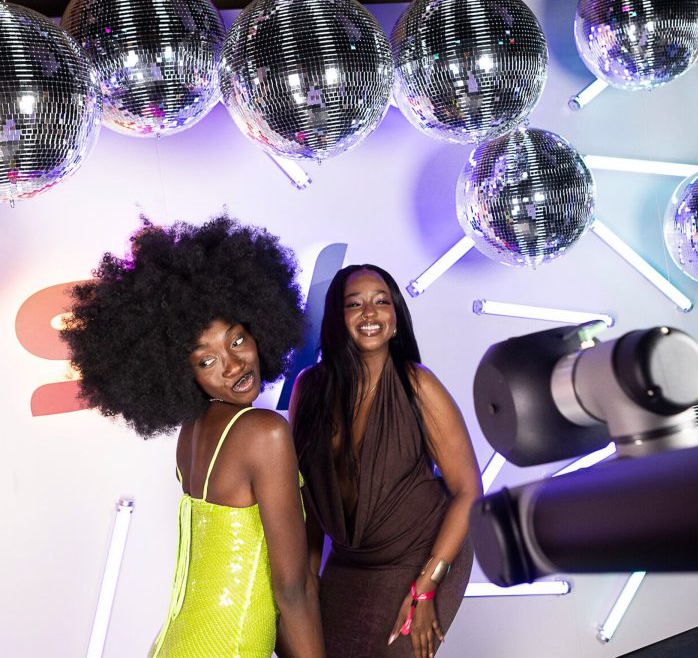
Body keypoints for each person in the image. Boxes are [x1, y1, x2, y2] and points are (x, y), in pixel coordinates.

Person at [62, 215, 325, 658]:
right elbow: (292, 589)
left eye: (237, 340)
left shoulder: (193, 435)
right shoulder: (265, 433)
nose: (234, 365)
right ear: (179, 371)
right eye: (206, 361)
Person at [289, 264, 482, 658]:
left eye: (381, 302)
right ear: (337, 320)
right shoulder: (309, 389)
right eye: (354, 304)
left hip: (423, 556)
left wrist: (426, 586)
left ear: (395, 318)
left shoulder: (417, 385)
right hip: (348, 565)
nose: (370, 313)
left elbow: (469, 491)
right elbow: (306, 496)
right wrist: (307, 583)